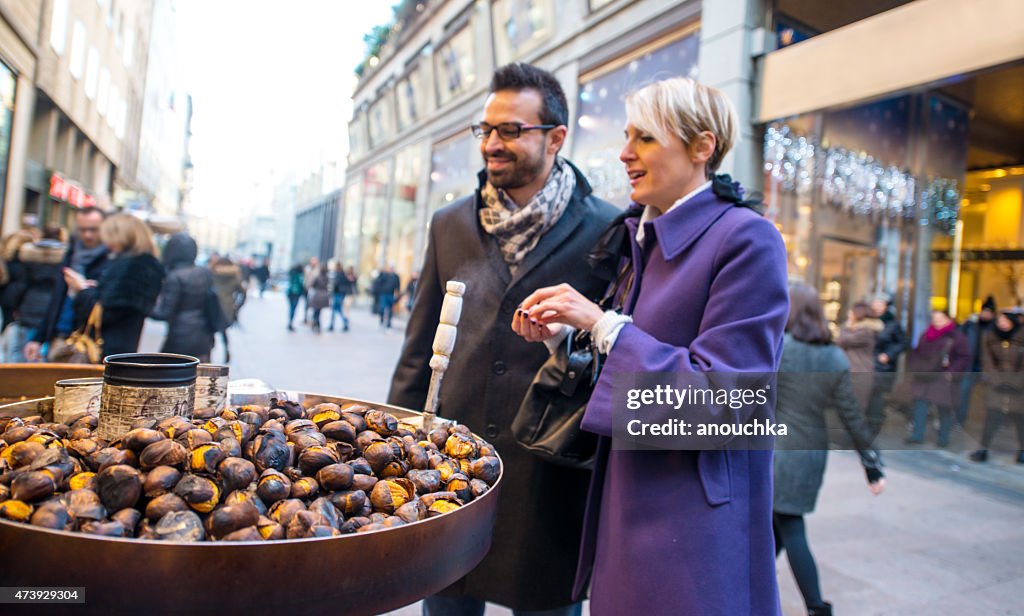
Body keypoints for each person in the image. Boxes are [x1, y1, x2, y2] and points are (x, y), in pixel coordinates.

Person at [514, 77, 789, 614]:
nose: (624, 153)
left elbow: (730, 405)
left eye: (645, 138)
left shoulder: (747, 239)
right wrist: (568, 339)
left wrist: (604, 326)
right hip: (631, 502)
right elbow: (632, 371)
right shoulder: (641, 236)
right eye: (627, 136)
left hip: (692, 522)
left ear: (702, 147)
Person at [389, 62, 618, 616]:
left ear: (556, 137)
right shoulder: (449, 223)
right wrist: (395, 448)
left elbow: (612, 354)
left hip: (548, 475)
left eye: (511, 130)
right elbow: (419, 347)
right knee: (444, 603)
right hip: (449, 469)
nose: (492, 143)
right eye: (486, 130)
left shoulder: (606, 229)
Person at [774, 283, 885, 616]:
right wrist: (872, 464)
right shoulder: (834, 356)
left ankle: (817, 607)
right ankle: (746, 587)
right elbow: (851, 413)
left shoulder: (781, 348)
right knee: (777, 526)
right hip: (810, 454)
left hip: (778, 451)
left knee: (789, 526)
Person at [64, 213, 163, 357]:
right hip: (121, 347)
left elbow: (108, 312)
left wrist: (82, 289)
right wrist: (95, 289)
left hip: (108, 349)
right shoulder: (143, 264)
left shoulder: (130, 266)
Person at [24, 207, 109, 361]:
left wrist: (83, 289)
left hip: (87, 341)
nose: (87, 234)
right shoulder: (72, 253)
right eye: (82, 229)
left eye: (93, 229)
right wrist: (39, 338)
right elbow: (57, 298)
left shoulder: (112, 259)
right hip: (59, 335)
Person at [905, 309, 969, 446]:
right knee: (920, 405)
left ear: (948, 319)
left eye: (940, 318)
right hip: (924, 375)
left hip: (943, 376)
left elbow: (963, 357)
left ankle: (943, 438)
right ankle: (917, 435)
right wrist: (915, 366)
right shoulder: (926, 335)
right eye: (934, 318)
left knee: (944, 408)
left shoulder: (957, 337)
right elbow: (917, 352)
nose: (937, 321)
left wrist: (952, 372)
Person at [150, 232, 216, 362]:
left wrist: (144, 307)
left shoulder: (175, 276)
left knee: (168, 375)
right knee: (198, 377)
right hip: (204, 336)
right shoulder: (204, 273)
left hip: (179, 338)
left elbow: (164, 312)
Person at [2, 228, 65, 361]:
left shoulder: (30, 257)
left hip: (28, 308)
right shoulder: (64, 258)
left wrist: (16, 306)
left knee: (24, 350)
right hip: (49, 309)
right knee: (42, 350)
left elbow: (22, 286)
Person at [969, 309, 1024, 463]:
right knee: (991, 419)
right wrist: (998, 381)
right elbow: (987, 360)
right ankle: (983, 449)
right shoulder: (990, 336)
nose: (1002, 324)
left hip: (1019, 388)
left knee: (1020, 420)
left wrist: (1015, 382)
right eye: (1000, 321)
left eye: (1005, 321)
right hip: (996, 387)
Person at [863, 295, 907, 437]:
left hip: (882, 368)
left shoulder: (893, 324)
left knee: (876, 399)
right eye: (874, 304)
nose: (876, 307)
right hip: (865, 366)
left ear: (886, 306)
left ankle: (873, 428)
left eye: (879, 304)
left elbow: (902, 343)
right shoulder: (865, 320)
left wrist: (888, 355)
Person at [836, 301, 883, 409]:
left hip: (860, 375)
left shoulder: (865, 332)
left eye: (851, 312)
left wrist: (846, 326)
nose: (849, 314)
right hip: (854, 373)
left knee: (856, 410)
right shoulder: (858, 330)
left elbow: (842, 340)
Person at [958, 296, 996, 426]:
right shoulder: (971, 325)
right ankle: (959, 420)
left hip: (987, 368)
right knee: (963, 394)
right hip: (969, 366)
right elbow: (959, 337)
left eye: (989, 312)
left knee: (991, 398)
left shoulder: (995, 328)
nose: (986, 314)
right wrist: (966, 322)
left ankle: (993, 424)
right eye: (984, 311)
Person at [328, 261, 354, 332]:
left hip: (338, 294)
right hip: (341, 294)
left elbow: (336, 284)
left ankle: (342, 323)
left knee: (337, 309)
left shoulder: (339, 274)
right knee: (337, 309)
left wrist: (332, 291)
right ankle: (336, 324)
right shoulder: (343, 274)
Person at [372, 265, 401, 330]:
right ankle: (382, 320)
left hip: (391, 295)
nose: (391, 269)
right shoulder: (384, 275)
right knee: (382, 308)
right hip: (383, 294)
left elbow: (398, 286)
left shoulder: (396, 277)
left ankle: (389, 323)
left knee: (390, 309)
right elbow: (378, 283)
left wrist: (397, 294)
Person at [308, 263, 330, 333]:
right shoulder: (327, 278)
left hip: (317, 295)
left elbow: (312, 285)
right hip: (324, 296)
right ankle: (317, 324)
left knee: (316, 311)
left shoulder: (317, 277)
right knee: (319, 312)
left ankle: (316, 324)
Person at [286, 264, 304, 332]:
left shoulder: (291, 274)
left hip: (290, 292)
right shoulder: (299, 275)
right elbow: (301, 283)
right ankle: (291, 322)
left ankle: (290, 322)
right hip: (296, 293)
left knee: (291, 308)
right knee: (293, 308)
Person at [302, 256, 320, 324]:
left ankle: (313, 319)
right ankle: (306, 318)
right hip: (307, 289)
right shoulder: (307, 268)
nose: (313, 262)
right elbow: (304, 278)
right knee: (306, 305)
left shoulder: (319, 269)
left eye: (315, 261)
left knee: (315, 305)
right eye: (312, 260)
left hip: (315, 289)